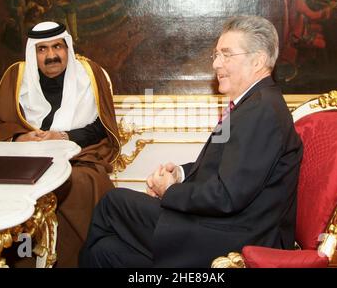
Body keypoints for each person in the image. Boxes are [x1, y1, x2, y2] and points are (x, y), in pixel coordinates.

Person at [79, 15, 303, 268]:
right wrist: (181, 175)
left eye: (227, 54)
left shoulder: (261, 111)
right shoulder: (254, 104)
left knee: (112, 203)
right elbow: (227, 171)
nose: (217, 64)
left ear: (258, 60)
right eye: (216, 55)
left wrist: (169, 192)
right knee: (106, 252)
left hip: (236, 236)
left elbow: (227, 196)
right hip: (226, 224)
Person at [0, 21, 121, 267]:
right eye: (42, 49)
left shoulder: (89, 74)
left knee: (80, 183)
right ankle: (21, 261)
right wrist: (19, 137)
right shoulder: (16, 76)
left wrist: (65, 136)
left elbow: (103, 126)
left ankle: (78, 260)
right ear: (32, 53)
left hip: (78, 157)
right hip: (24, 161)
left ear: (67, 47)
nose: (51, 56)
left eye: (57, 47)